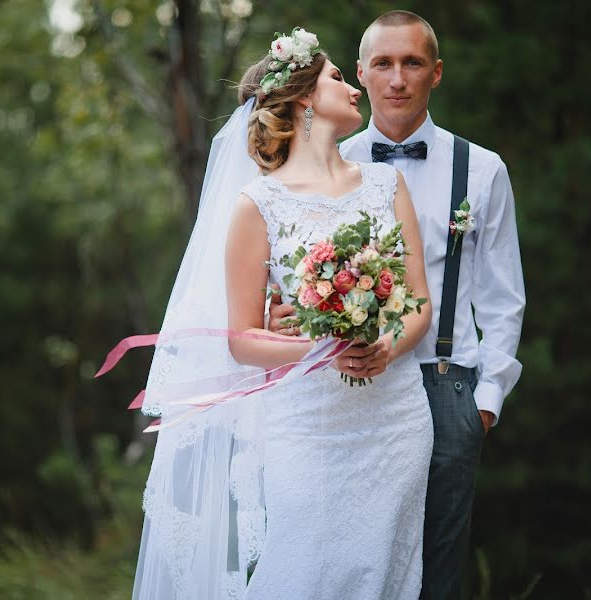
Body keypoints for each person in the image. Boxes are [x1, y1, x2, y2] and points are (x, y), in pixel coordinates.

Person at [129, 27, 436, 600]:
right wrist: (325, 348)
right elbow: (242, 339)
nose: (353, 88)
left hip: (396, 419)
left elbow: (417, 301)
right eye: (338, 78)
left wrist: (387, 346)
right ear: (302, 98)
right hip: (307, 425)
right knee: (301, 571)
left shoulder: (385, 183)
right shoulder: (258, 205)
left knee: (386, 576)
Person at [269, 11, 526, 598]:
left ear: (436, 73)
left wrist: (485, 401)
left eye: (412, 63)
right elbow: (287, 264)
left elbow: (504, 297)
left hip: (444, 386)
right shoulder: (328, 164)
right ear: (359, 73)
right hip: (342, 397)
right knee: (346, 563)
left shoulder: (482, 170)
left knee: (436, 576)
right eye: (382, 64)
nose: (397, 78)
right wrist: (277, 315)